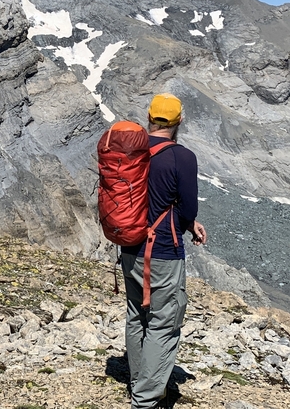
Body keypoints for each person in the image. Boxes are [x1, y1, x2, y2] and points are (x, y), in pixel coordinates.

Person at [121, 93, 207, 409]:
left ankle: (138, 381)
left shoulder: (131, 150)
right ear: (179, 121)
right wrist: (189, 225)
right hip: (162, 252)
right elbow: (187, 208)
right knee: (163, 321)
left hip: (129, 246)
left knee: (136, 314)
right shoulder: (181, 157)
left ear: (149, 117)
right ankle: (145, 401)